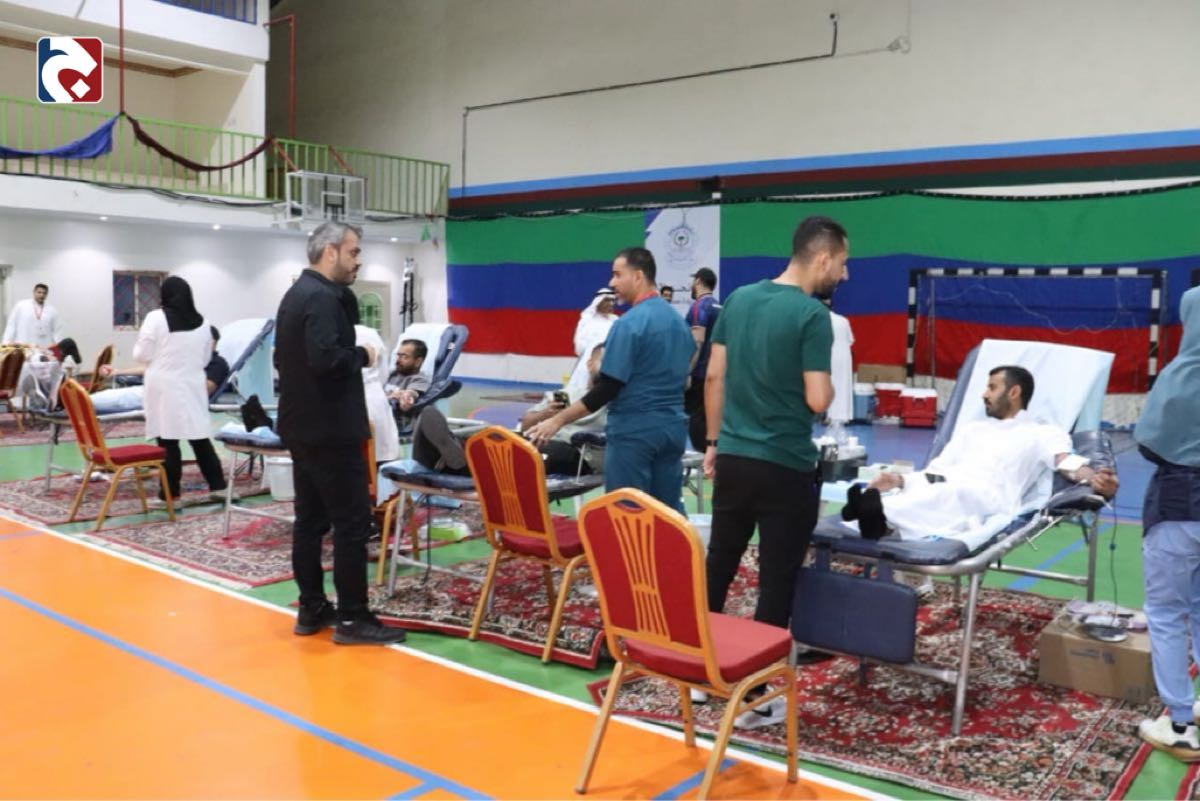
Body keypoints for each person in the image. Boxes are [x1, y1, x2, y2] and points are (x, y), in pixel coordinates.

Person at [702, 215, 847, 729]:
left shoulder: (738, 299)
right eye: (843, 263)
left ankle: (701, 674)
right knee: (775, 580)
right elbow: (818, 398)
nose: (845, 274)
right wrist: (831, 387)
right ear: (822, 258)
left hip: (734, 458)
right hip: (785, 465)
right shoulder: (812, 316)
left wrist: (714, 443)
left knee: (719, 564)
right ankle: (757, 695)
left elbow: (714, 376)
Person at [274, 221, 405, 646]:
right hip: (331, 428)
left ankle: (312, 607)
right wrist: (363, 355)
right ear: (330, 252)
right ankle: (352, 616)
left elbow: (285, 359)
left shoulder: (296, 294)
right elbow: (326, 360)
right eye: (353, 252)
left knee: (310, 521)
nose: (358, 260)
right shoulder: (322, 298)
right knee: (351, 523)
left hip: (302, 425)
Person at [843, 365, 1118, 541]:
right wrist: (899, 480)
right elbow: (936, 472)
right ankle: (877, 516)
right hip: (947, 486)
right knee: (927, 491)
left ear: (1014, 392)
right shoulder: (972, 429)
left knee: (952, 494)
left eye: (992, 387)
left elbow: (1066, 462)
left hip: (988, 497)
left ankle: (878, 517)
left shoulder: (1041, 432)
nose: (984, 394)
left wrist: (1094, 478)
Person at [527, 247, 694, 509]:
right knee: (668, 513)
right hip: (672, 431)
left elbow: (608, 388)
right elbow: (687, 381)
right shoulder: (678, 322)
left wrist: (557, 420)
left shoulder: (629, 324)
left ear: (638, 276)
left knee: (627, 512)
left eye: (617, 275)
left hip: (635, 435)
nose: (611, 282)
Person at [1134, 285, 1200, 761]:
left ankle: (1179, 723)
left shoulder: (1182, 376)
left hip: (1180, 505)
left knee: (1166, 612)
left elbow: (1148, 442)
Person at [132, 276, 227, 506]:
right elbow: (205, 359)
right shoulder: (204, 323)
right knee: (199, 438)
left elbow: (141, 355)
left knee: (168, 440)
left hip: (164, 385)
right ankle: (219, 488)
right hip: (193, 385)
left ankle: (170, 495)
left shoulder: (155, 317)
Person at [518, 342, 608, 475]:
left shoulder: (617, 402)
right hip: (541, 443)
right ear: (589, 364)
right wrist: (545, 414)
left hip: (577, 452)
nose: (609, 368)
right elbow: (525, 426)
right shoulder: (565, 395)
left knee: (541, 454)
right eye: (604, 361)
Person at [684, 267, 719, 451]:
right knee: (709, 419)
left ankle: (698, 457)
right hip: (717, 374)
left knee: (694, 419)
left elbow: (697, 340)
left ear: (698, 281)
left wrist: (688, 371)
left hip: (699, 374)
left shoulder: (700, 306)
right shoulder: (719, 306)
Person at [356, 324, 401, 464]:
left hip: (353, 400)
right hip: (375, 397)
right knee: (381, 457)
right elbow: (384, 372)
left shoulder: (328, 336)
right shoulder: (370, 333)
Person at [385, 338, 433, 431]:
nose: (398, 360)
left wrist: (406, 395)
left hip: (393, 424)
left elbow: (412, 393)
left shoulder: (420, 380)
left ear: (418, 362)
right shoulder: (391, 374)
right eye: (398, 355)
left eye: (404, 357)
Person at [823, 298, 855, 426]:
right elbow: (850, 340)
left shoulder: (820, 320)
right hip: (844, 356)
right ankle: (845, 416)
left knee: (830, 384)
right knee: (843, 385)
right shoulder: (843, 320)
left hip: (829, 355)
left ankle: (831, 416)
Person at [3, 283, 64, 347]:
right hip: (24, 344)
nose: (42, 295)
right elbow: (11, 324)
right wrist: (6, 342)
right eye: (39, 292)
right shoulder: (21, 305)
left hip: (44, 346)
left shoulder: (52, 310)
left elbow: (58, 330)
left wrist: (58, 347)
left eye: (44, 293)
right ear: (34, 292)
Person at [573, 287, 616, 358]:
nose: (611, 303)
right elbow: (579, 347)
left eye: (613, 300)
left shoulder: (616, 320)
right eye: (607, 300)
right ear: (598, 301)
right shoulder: (587, 320)